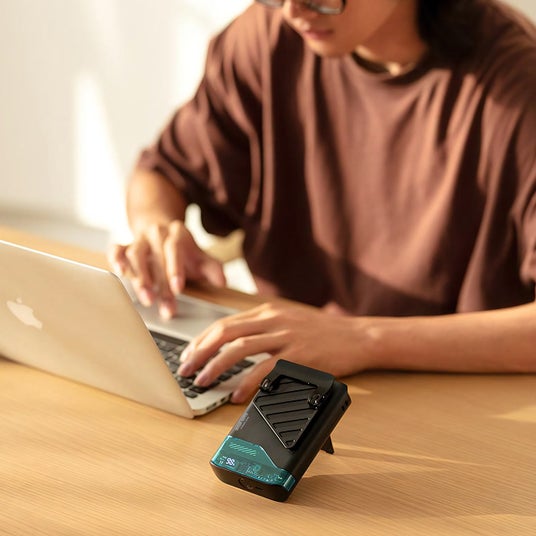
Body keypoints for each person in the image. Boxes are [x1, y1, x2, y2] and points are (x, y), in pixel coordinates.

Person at [109, 0, 536, 403]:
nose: (294, 13)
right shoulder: (268, 36)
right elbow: (162, 172)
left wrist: (363, 339)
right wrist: (157, 228)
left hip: (459, 400)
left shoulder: (518, 84)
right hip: (286, 378)